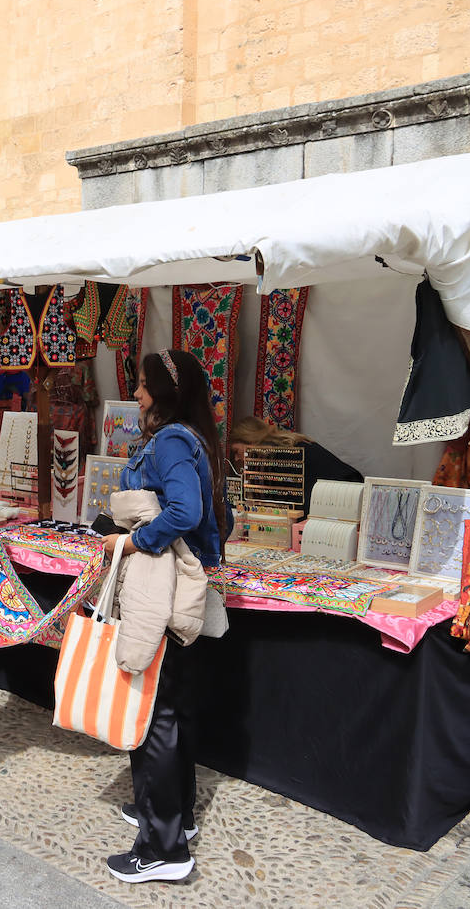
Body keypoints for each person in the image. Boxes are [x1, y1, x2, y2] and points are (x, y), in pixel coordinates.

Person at [102, 349, 230, 884]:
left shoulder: (173, 440)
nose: (136, 393)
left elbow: (186, 511)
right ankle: (172, 814)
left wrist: (134, 542)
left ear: (165, 391)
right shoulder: (189, 438)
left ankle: (163, 848)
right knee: (168, 710)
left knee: (152, 715)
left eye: (142, 385)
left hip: (161, 587)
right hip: (173, 586)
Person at [227, 416, 362, 516]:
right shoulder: (289, 443)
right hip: (353, 492)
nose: (236, 458)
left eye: (236, 451)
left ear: (250, 441)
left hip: (344, 500)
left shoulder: (276, 454)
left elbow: (282, 505)